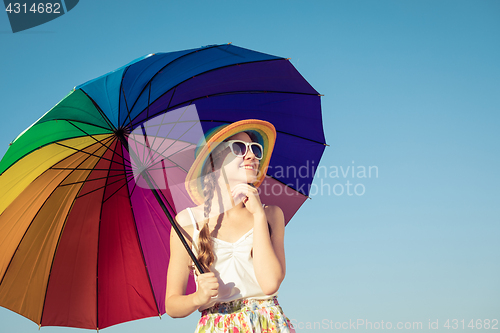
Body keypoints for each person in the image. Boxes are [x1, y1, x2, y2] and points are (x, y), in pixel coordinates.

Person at [165, 119, 295, 332]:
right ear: (214, 163)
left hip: (267, 325)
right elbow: (172, 305)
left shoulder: (272, 214)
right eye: (239, 148)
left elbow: (270, 283)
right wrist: (198, 298)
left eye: (255, 149)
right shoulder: (188, 223)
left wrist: (259, 217)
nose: (252, 156)